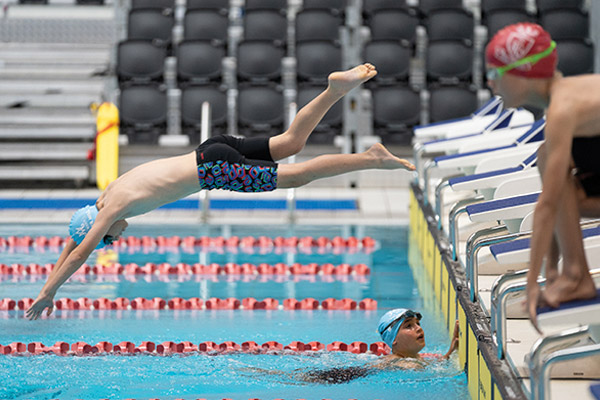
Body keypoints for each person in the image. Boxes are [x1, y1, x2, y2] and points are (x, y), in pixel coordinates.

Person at [25, 63, 416, 320]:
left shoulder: (114, 210)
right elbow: (75, 237)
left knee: (295, 176)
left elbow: (80, 249)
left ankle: (369, 157)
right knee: (292, 141)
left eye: (111, 237)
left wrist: (48, 291)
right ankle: (334, 90)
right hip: (210, 148)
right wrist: (54, 271)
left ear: (103, 227)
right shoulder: (110, 192)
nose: (118, 236)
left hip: (214, 169)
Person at [485, 23, 599, 332]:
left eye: (495, 74)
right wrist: (550, 270)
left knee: (554, 172)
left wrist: (531, 283)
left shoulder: (563, 109)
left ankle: (576, 276)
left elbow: (547, 205)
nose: (491, 85)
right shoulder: (572, 94)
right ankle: (572, 274)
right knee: (548, 157)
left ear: (522, 73)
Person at [243, 308, 460, 384]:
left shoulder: (413, 359)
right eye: (409, 326)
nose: (419, 329)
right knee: (293, 379)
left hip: (351, 372)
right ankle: (258, 372)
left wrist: (451, 350)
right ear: (393, 340)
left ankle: (259, 372)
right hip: (344, 375)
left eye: (418, 324)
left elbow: (433, 362)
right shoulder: (406, 364)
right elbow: (423, 369)